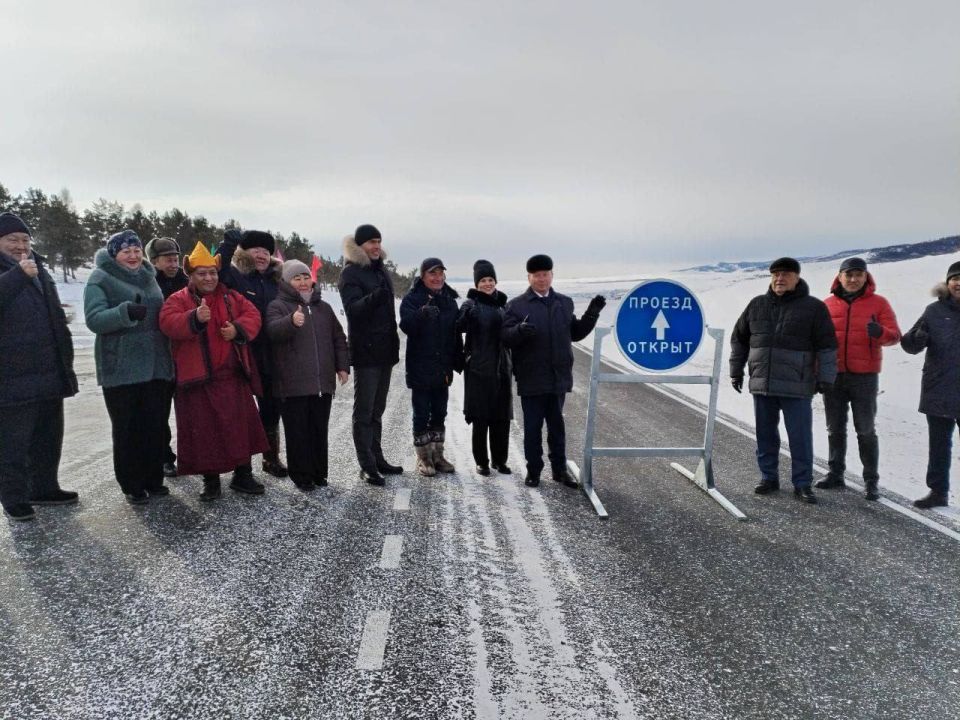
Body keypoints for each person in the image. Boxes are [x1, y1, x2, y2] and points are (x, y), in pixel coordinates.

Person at [159, 242, 268, 500]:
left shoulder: (231, 297)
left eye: (212, 272)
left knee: (240, 429)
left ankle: (243, 474)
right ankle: (211, 481)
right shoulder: (178, 300)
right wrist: (194, 318)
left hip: (231, 377)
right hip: (198, 380)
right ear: (191, 275)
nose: (209, 278)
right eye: (202, 273)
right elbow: (167, 322)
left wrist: (237, 329)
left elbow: (253, 315)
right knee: (205, 435)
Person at [729, 257, 838, 504]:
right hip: (763, 383)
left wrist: (826, 378)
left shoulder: (814, 308)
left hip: (797, 385)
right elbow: (739, 339)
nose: (780, 278)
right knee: (765, 434)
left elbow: (828, 346)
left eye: (786, 274)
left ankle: (802, 483)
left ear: (797, 277)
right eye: (775, 274)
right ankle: (769, 477)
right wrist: (736, 369)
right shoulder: (756, 305)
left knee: (800, 437)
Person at [84, 230, 175, 504]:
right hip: (121, 367)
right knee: (127, 428)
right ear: (114, 254)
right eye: (126, 251)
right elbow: (94, 319)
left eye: (136, 250)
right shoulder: (100, 278)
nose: (133, 256)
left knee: (154, 424)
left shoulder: (149, 277)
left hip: (156, 364)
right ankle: (131, 483)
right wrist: (123, 313)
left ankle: (153, 478)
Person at [0, 212, 79, 521]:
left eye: (25, 240)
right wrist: (18, 275)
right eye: (12, 240)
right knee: (13, 443)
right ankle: (14, 499)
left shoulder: (38, 267)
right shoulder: (21, 271)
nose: (20, 246)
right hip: (11, 374)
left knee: (48, 436)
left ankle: (44, 487)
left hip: (47, 368)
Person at [501, 254, 605, 488]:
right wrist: (519, 330)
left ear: (551, 275)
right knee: (533, 428)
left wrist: (592, 313)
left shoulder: (564, 303)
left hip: (558, 377)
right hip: (531, 377)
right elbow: (505, 338)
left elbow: (576, 333)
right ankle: (534, 471)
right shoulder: (516, 306)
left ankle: (559, 470)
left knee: (557, 428)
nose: (541, 279)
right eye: (536, 275)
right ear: (529, 277)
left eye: (545, 274)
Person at [818, 257, 901, 501]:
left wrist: (881, 333)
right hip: (834, 376)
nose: (853, 279)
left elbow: (894, 336)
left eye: (858, 275)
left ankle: (871, 481)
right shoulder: (827, 305)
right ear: (840, 276)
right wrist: (817, 373)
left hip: (864, 378)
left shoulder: (879, 303)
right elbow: (819, 342)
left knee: (865, 429)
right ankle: (835, 473)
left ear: (866, 277)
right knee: (835, 428)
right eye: (849, 275)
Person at [267, 260, 350, 491]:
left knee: (318, 430)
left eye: (305, 277)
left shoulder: (323, 308)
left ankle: (319, 473)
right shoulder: (278, 306)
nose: (303, 282)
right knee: (297, 433)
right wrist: (291, 322)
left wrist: (342, 365)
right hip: (292, 385)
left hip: (322, 384)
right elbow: (272, 331)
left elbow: (338, 338)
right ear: (286, 282)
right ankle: (301, 476)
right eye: (297, 278)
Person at [217, 228, 288, 478]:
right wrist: (227, 245)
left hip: (272, 353)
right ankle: (241, 465)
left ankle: (271, 459)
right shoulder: (236, 276)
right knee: (242, 411)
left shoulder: (276, 280)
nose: (262, 254)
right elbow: (217, 271)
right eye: (256, 249)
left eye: (267, 251)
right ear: (244, 252)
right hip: (243, 352)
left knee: (272, 407)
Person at [338, 224, 403, 486]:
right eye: (371, 242)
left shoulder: (381, 270)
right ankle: (366, 465)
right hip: (366, 352)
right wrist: (375, 297)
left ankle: (377, 458)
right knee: (364, 411)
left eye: (378, 241)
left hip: (384, 350)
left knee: (377, 409)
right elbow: (352, 310)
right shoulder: (350, 274)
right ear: (360, 246)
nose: (376, 246)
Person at [899, 260, 960, 509]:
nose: (959, 283)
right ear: (947, 283)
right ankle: (938, 491)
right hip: (939, 388)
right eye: (955, 278)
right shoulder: (933, 311)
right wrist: (917, 338)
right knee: (939, 445)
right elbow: (909, 345)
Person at [399, 257, 463, 476]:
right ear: (423, 276)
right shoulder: (412, 299)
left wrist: (459, 357)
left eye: (440, 274)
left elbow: (455, 333)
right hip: (420, 366)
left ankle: (438, 455)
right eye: (432, 274)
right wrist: (421, 315)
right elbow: (405, 325)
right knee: (421, 413)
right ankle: (424, 457)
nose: (437, 278)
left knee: (439, 412)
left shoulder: (449, 300)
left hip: (442, 368)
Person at [456, 259, 513, 476]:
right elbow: (458, 327)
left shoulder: (504, 304)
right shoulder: (470, 304)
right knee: (481, 417)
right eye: (483, 280)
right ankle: (482, 461)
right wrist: (465, 317)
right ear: (477, 284)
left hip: (502, 367)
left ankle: (500, 460)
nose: (487, 284)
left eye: (490, 280)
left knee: (501, 417)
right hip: (479, 367)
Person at [145, 236, 188, 478]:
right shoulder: (148, 284)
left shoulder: (186, 282)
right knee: (159, 413)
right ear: (153, 261)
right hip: (158, 358)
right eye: (167, 259)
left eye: (175, 259)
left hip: (183, 357)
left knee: (189, 411)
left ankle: (192, 455)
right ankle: (163, 457)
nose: (173, 263)